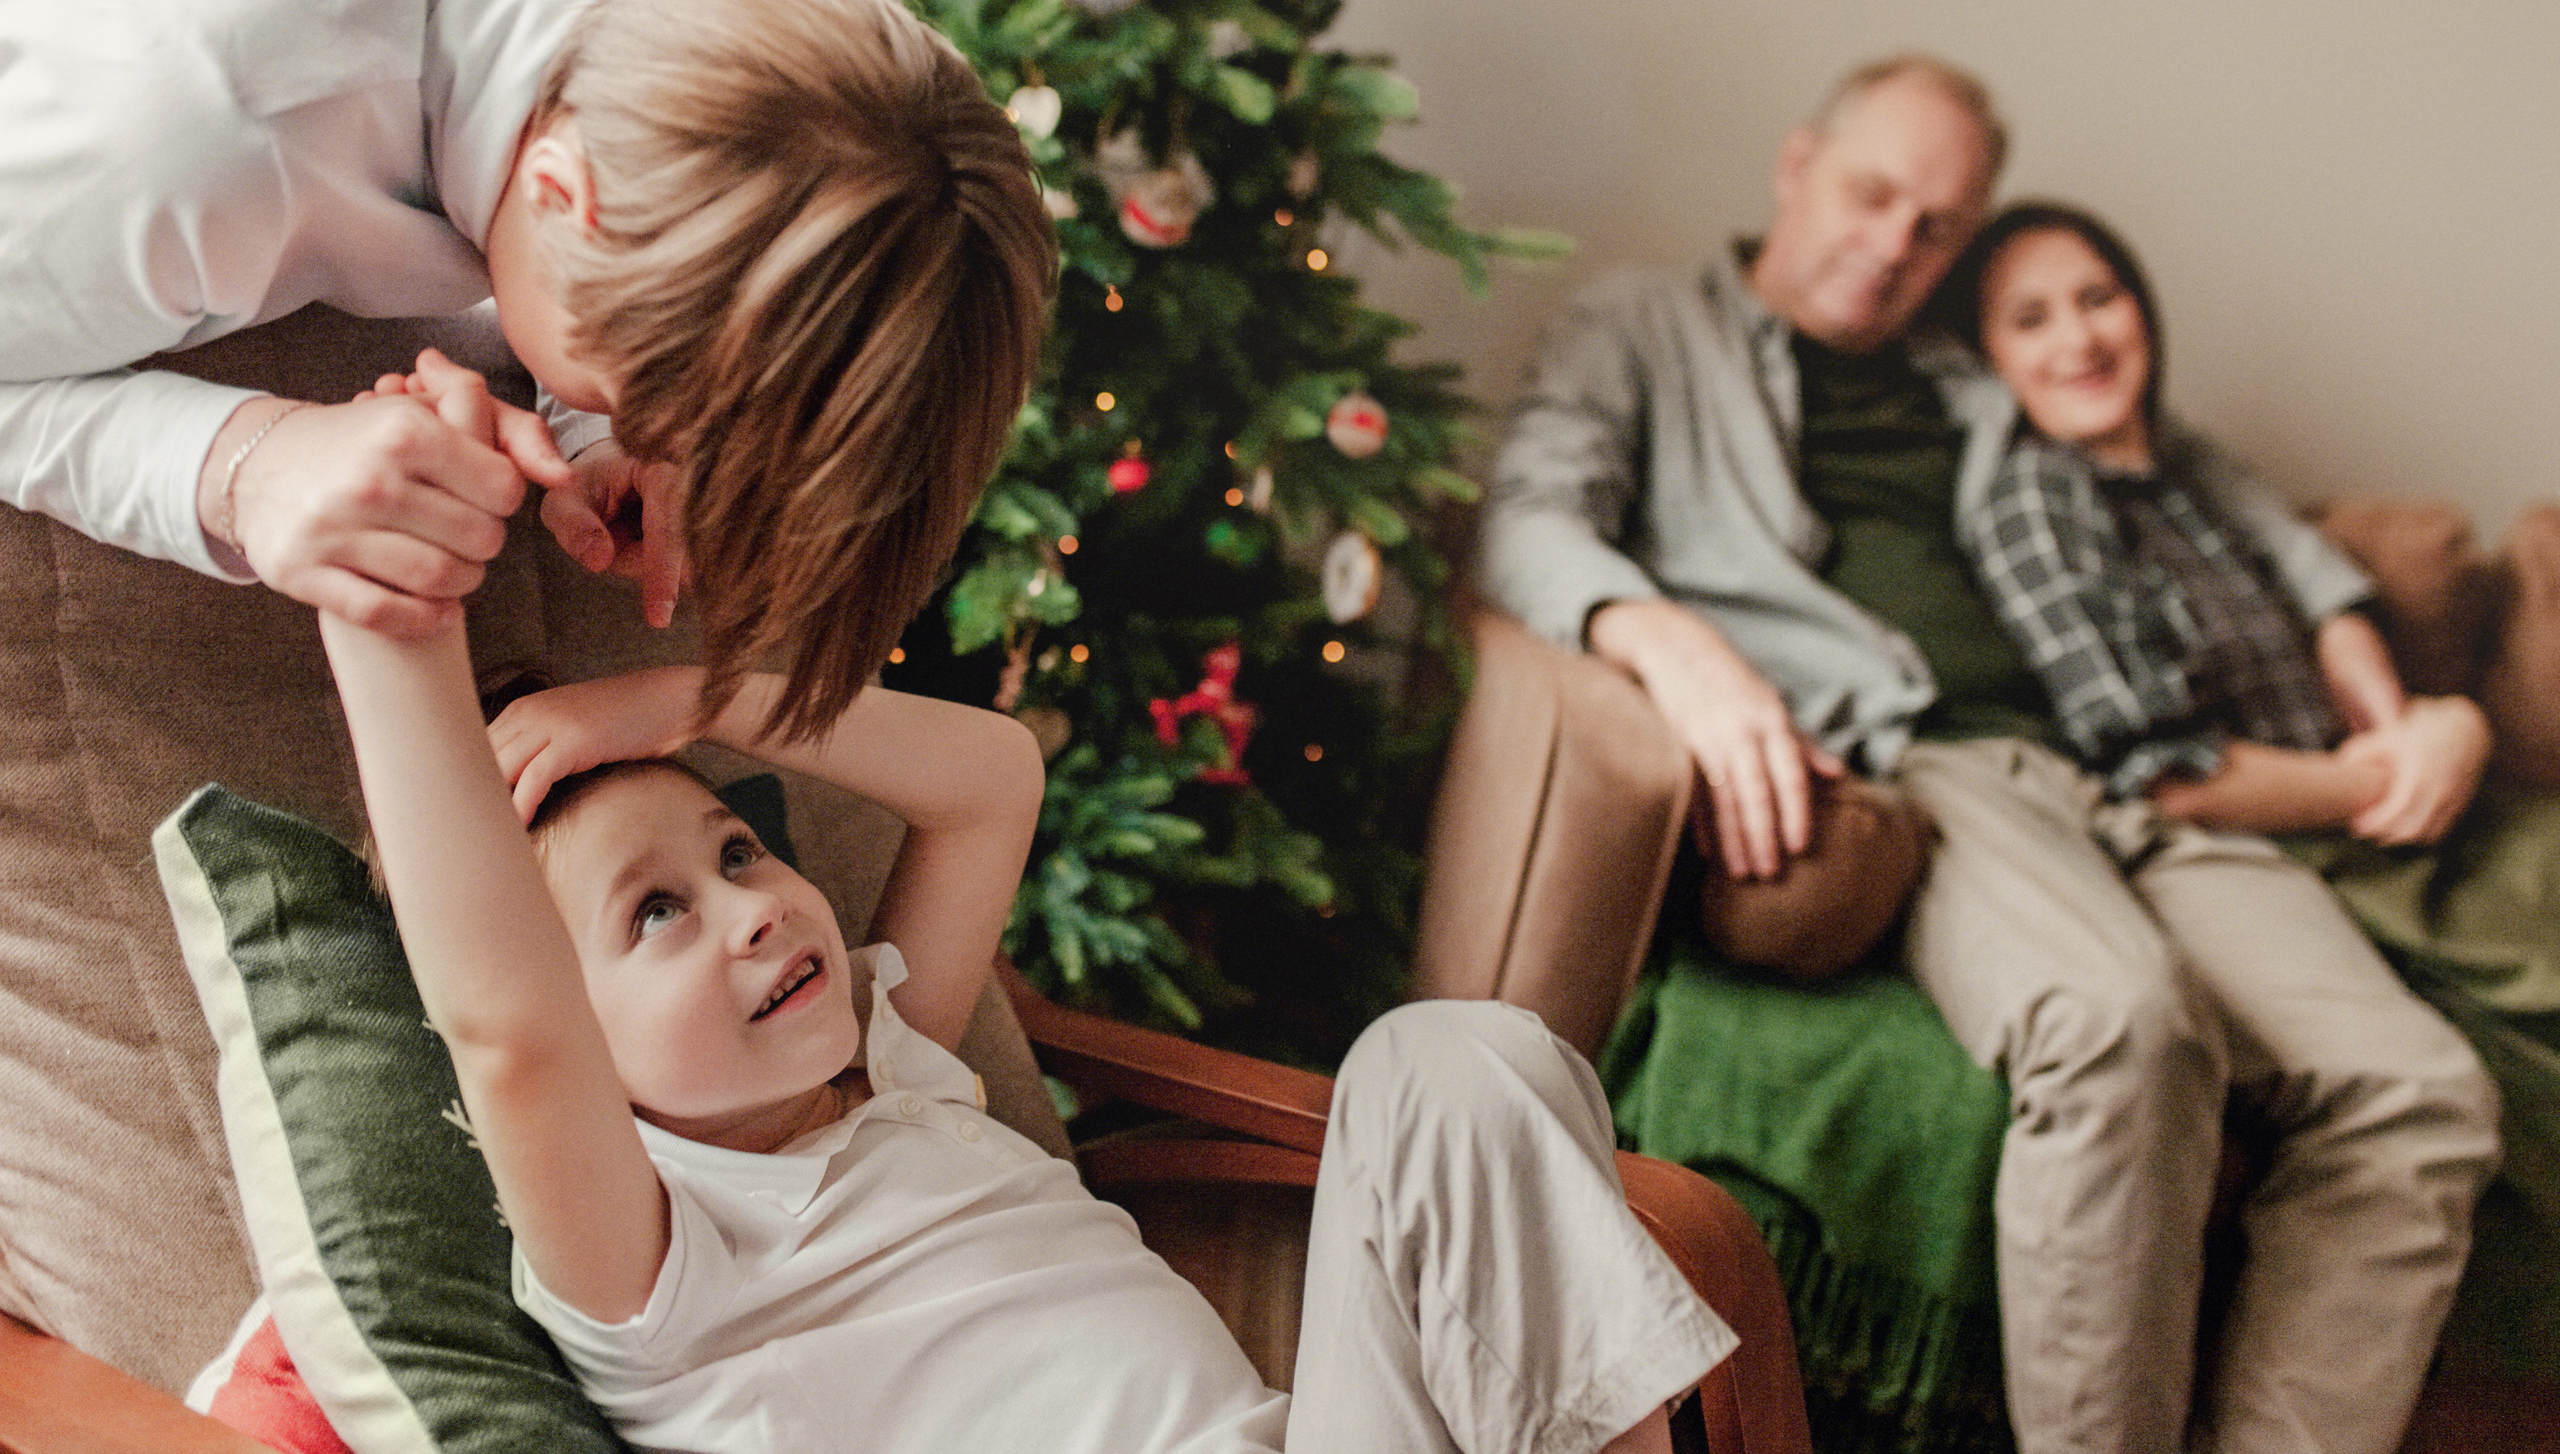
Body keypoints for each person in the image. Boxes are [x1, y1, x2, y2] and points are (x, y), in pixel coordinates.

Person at [311, 363, 1734, 1454]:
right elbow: (506, 1023)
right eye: (656, 914)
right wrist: (386, 592)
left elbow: (996, 777)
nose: (750, 908)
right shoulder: (656, 1255)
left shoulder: (903, 1061)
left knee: (1453, 1063)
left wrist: (682, 699)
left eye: (739, 849)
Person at [1480, 55, 2500, 1454]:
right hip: (1934, 771)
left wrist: (2409, 699)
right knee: (2122, 1023)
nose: (1896, 242)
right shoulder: (1649, 325)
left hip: (2135, 773)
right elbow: (1529, 518)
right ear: (1796, 163)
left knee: (2424, 1094)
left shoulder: (1988, 372)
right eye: (1873, 192)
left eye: (1938, 224)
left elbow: (2217, 497)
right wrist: (1667, 638)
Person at [0, 0, 1055, 736]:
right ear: (560, 195)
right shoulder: (191, 151)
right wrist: (241, 466)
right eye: (650, 405)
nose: (661, 445)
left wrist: (592, 419)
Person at [1942, 196, 2560, 1256]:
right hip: (2284, 847)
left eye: (2098, 297)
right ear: (1985, 359)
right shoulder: (2038, 500)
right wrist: (2388, 772)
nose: (2079, 337)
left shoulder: (2187, 475)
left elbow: (2320, 597)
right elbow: (2161, 772)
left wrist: (2431, 723)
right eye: (2030, 318)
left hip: (2381, 806)